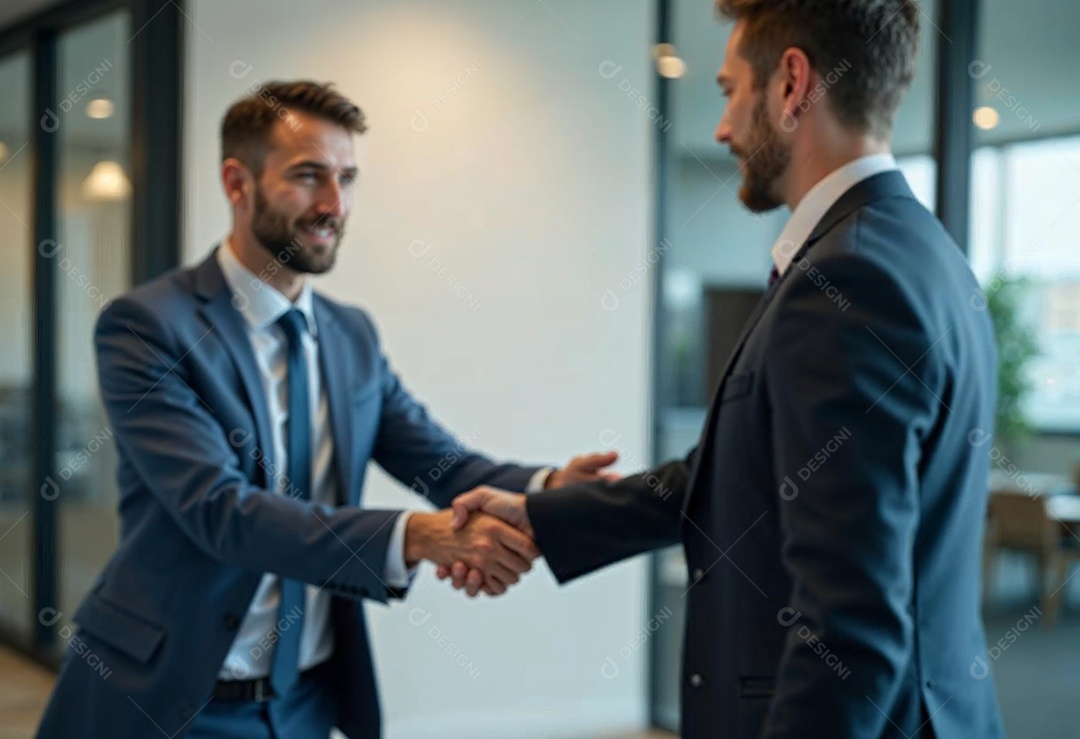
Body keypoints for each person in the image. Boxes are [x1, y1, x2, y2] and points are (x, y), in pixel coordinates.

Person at [444, 1, 1005, 736]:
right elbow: (745, 477)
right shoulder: (922, 253)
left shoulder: (846, 281)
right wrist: (545, 513)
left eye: (729, 91)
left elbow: (848, 628)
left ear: (791, 84)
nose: (721, 128)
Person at [36, 80, 617, 739]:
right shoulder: (148, 327)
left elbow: (440, 461)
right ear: (237, 182)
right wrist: (419, 536)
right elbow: (220, 511)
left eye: (347, 178)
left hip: (306, 701)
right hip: (174, 700)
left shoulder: (350, 334)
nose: (334, 205)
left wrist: (550, 488)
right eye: (308, 176)